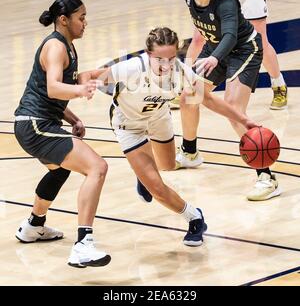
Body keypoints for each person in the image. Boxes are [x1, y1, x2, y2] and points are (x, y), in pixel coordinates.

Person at [79, 27, 258, 246]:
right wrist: (84, 87)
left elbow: (208, 99)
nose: (166, 66)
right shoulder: (131, 68)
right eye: (159, 60)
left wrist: (244, 120)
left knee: (167, 166)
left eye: (171, 59)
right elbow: (87, 75)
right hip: (129, 125)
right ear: (148, 53)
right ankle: (195, 218)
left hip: (159, 118)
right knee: (157, 189)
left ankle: (143, 173)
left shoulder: (181, 72)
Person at [174, 0, 281, 201]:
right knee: (189, 96)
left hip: (243, 50)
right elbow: (200, 31)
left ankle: (266, 176)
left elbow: (231, 36)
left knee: (233, 108)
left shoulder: (226, 1)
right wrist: (194, 61)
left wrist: (214, 57)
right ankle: (189, 152)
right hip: (215, 50)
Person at [14, 0, 111, 268]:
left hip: (36, 122)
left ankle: (34, 224)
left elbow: (54, 91)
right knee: (97, 167)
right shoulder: (55, 46)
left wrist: (70, 116)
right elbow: (53, 87)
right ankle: (83, 245)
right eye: (81, 18)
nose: (85, 23)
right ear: (64, 20)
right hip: (35, 124)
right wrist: (81, 91)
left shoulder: (66, 45)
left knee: (60, 169)